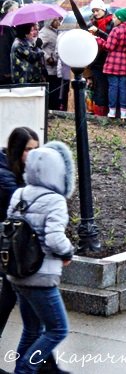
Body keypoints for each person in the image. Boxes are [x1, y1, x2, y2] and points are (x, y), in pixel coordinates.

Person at [8, 141, 75, 374]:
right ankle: (25, 369)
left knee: (32, 329)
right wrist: (68, 252)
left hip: (18, 273)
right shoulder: (55, 200)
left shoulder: (19, 194)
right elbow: (55, 239)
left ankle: (22, 369)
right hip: (41, 276)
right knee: (58, 330)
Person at [0, 127, 38, 343]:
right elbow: (21, 206)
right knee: (8, 296)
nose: (32, 155)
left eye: (35, 149)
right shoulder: (6, 177)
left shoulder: (20, 172)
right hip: (6, 242)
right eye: (27, 150)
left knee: (10, 295)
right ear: (16, 150)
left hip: (10, 243)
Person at [96, 8, 126, 119]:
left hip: (113, 63)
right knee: (123, 88)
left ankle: (112, 111)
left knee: (113, 87)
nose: (113, 19)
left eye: (115, 17)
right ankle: (123, 112)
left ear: (121, 18)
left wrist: (98, 40)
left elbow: (109, 46)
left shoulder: (116, 30)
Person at [87, 0, 113, 116]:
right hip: (95, 60)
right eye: (93, 11)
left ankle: (103, 113)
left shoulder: (111, 22)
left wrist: (97, 32)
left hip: (107, 59)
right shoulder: (92, 23)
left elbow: (111, 40)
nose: (95, 13)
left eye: (97, 10)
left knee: (104, 88)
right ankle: (97, 112)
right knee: (97, 88)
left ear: (103, 9)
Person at [37, 19, 61, 111]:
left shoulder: (54, 31)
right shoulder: (44, 32)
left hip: (55, 67)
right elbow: (38, 47)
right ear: (50, 21)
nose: (58, 23)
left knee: (55, 89)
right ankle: (50, 109)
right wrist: (47, 57)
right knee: (51, 89)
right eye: (56, 21)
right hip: (49, 67)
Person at [0, 0, 18, 85]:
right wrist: (6, 71)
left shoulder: (7, 24)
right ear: (11, 11)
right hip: (5, 71)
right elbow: (4, 49)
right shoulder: (5, 26)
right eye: (16, 9)